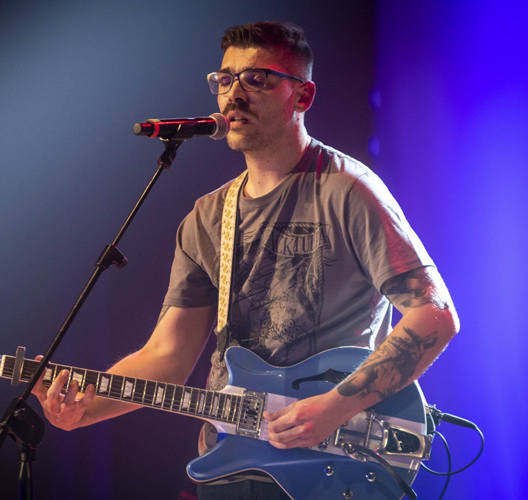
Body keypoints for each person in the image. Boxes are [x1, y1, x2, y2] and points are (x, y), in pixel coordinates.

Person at [33, 21, 459, 499]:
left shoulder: (348, 191)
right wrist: (85, 408)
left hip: (334, 463)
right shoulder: (209, 216)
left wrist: (332, 409)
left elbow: (435, 315)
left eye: (256, 78)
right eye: (225, 79)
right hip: (230, 466)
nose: (234, 92)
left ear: (303, 96)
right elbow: (167, 357)